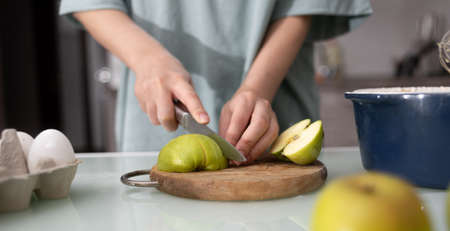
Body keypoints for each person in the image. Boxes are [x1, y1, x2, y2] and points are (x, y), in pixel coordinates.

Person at [60, 0, 372, 162]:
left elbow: (302, 7)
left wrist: (257, 88)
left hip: (276, 128)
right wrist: (148, 59)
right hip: (155, 139)